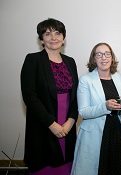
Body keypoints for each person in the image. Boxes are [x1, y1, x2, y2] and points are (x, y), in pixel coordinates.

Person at [20, 18, 79, 175]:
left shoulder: (70, 62)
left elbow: (75, 96)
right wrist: (52, 124)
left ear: (63, 38)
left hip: (67, 125)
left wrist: (70, 122)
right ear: (41, 39)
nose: (53, 38)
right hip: (43, 124)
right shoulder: (33, 60)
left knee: (66, 165)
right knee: (44, 166)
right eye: (48, 34)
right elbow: (30, 97)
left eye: (57, 33)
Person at [71, 43, 121, 175]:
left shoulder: (119, 78)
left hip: (116, 132)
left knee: (116, 169)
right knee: (98, 169)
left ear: (112, 57)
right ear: (94, 59)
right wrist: (105, 106)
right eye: (99, 54)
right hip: (95, 133)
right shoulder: (85, 80)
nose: (103, 57)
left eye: (107, 54)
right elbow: (83, 112)